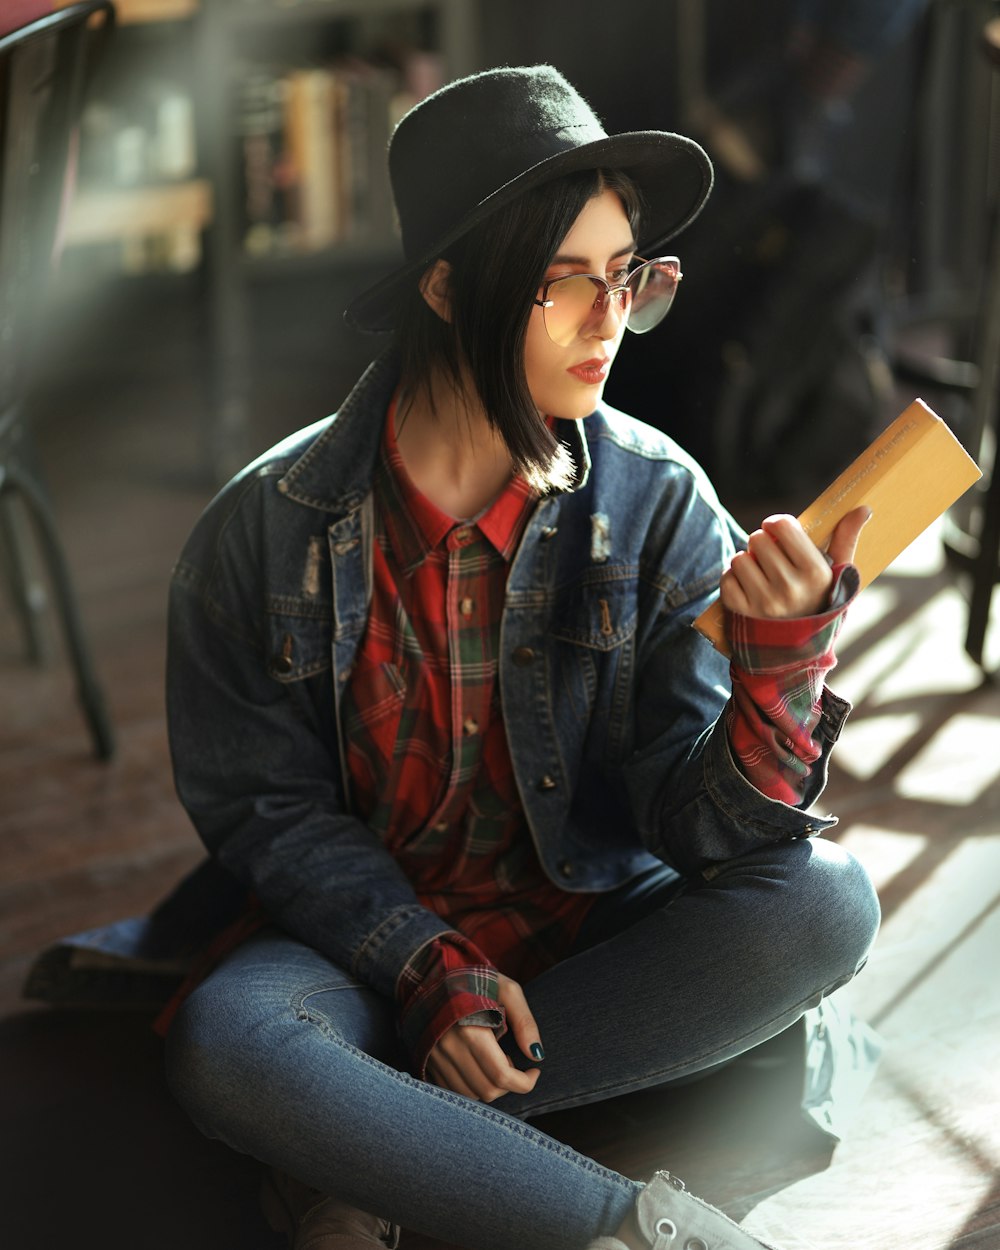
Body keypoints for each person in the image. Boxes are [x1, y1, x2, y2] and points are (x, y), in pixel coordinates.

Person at [161, 65, 880, 1250]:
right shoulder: (263, 527)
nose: (610, 320)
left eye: (627, 277)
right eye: (564, 284)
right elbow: (269, 813)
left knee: (825, 901)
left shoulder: (655, 501)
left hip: (583, 922)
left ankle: (362, 1141)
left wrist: (778, 677)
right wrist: (422, 963)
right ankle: (635, 1229)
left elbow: (691, 826)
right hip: (359, 948)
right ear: (448, 287)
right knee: (228, 1038)